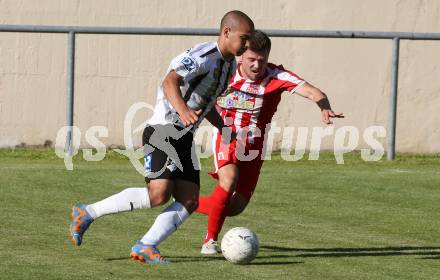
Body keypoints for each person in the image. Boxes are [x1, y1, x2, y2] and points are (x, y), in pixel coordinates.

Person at [69, 10, 254, 264]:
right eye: (244, 38)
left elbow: (206, 101)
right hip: (163, 130)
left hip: (184, 137)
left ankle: (145, 245)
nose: (247, 44)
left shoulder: (229, 65)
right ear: (226, 32)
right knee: (158, 194)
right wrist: (183, 111)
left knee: (189, 199)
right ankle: (87, 212)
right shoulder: (203, 56)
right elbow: (169, 81)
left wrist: (223, 128)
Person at [195, 30, 344, 254]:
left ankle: (187, 201)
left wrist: (324, 107)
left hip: (255, 146)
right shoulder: (225, 73)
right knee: (229, 181)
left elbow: (313, 91)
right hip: (227, 137)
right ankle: (210, 241)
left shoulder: (277, 76)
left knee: (234, 207)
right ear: (241, 57)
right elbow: (200, 95)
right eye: (251, 60)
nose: (256, 65)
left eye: (261, 60)